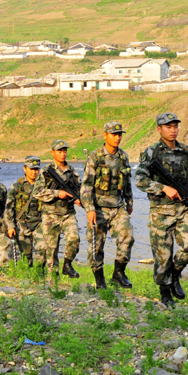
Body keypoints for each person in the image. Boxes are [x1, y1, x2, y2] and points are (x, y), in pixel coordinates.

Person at [135, 112, 188, 308]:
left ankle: (174, 275)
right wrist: (163, 188)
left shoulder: (185, 150)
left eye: (175, 126)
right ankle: (165, 292)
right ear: (159, 129)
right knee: (162, 255)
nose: (173, 130)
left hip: (182, 208)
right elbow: (139, 179)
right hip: (160, 211)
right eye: (168, 126)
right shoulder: (151, 152)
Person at [81, 122, 135, 289]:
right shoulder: (95, 157)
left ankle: (118, 273)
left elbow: (126, 182)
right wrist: (89, 210)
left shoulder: (123, 157)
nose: (117, 137)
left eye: (119, 134)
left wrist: (130, 202)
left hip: (118, 206)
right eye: (114, 134)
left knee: (127, 237)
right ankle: (100, 280)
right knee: (96, 245)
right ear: (105, 135)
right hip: (98, 207)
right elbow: (86, 187)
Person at [33, 140, 82, 279]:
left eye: (64, 151)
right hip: (50, 215)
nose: (63, 154)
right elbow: (37, 192)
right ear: (53, 153)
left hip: (68, 213)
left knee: (74, 238)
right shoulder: (46, 171)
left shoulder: (72, 171)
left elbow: (79, 188)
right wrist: (57, 193)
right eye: (59, 151)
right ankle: (53, 281)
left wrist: (79, 198)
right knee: (51, 250)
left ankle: (67, 264)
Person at [5, 156, 46, 270]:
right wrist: (10, 226)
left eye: (36, 169)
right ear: (25, 169)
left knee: (43, 251)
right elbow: (8, 208)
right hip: (22, 225)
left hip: (39, 224)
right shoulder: (17, 185)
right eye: (31, 169)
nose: (34, 172)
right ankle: (28, 277)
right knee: (26, 255)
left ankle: (39, 275)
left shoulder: (43, 185)